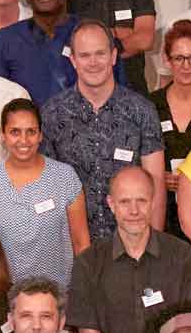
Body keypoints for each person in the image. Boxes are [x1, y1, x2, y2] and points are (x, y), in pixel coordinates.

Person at [70, 162, 191, 333]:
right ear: (111, 204)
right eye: (125, 202)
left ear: (153, 201)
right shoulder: (88, 263)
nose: (134, 211)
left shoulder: (182, 256)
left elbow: (189, 327)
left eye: (141, 201)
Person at [42, 20, 166, 244]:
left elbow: (155, 184)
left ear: (113, 56)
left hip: (130, 246)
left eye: (100, 53)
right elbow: (47, 186)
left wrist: (153, 250)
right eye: (85, 55)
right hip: (73, 248)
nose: (93, 62)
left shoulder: (142, 111)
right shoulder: (52, 114)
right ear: (73, 60)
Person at [0, 95, 89, 290]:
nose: (23, 140)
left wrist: (84, 291)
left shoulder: (64, 177)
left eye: (31, 132)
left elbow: (81, 242)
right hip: (3, 292)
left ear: (41, 135)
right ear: (3, 135)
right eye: (15, 132)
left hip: (56, 293)